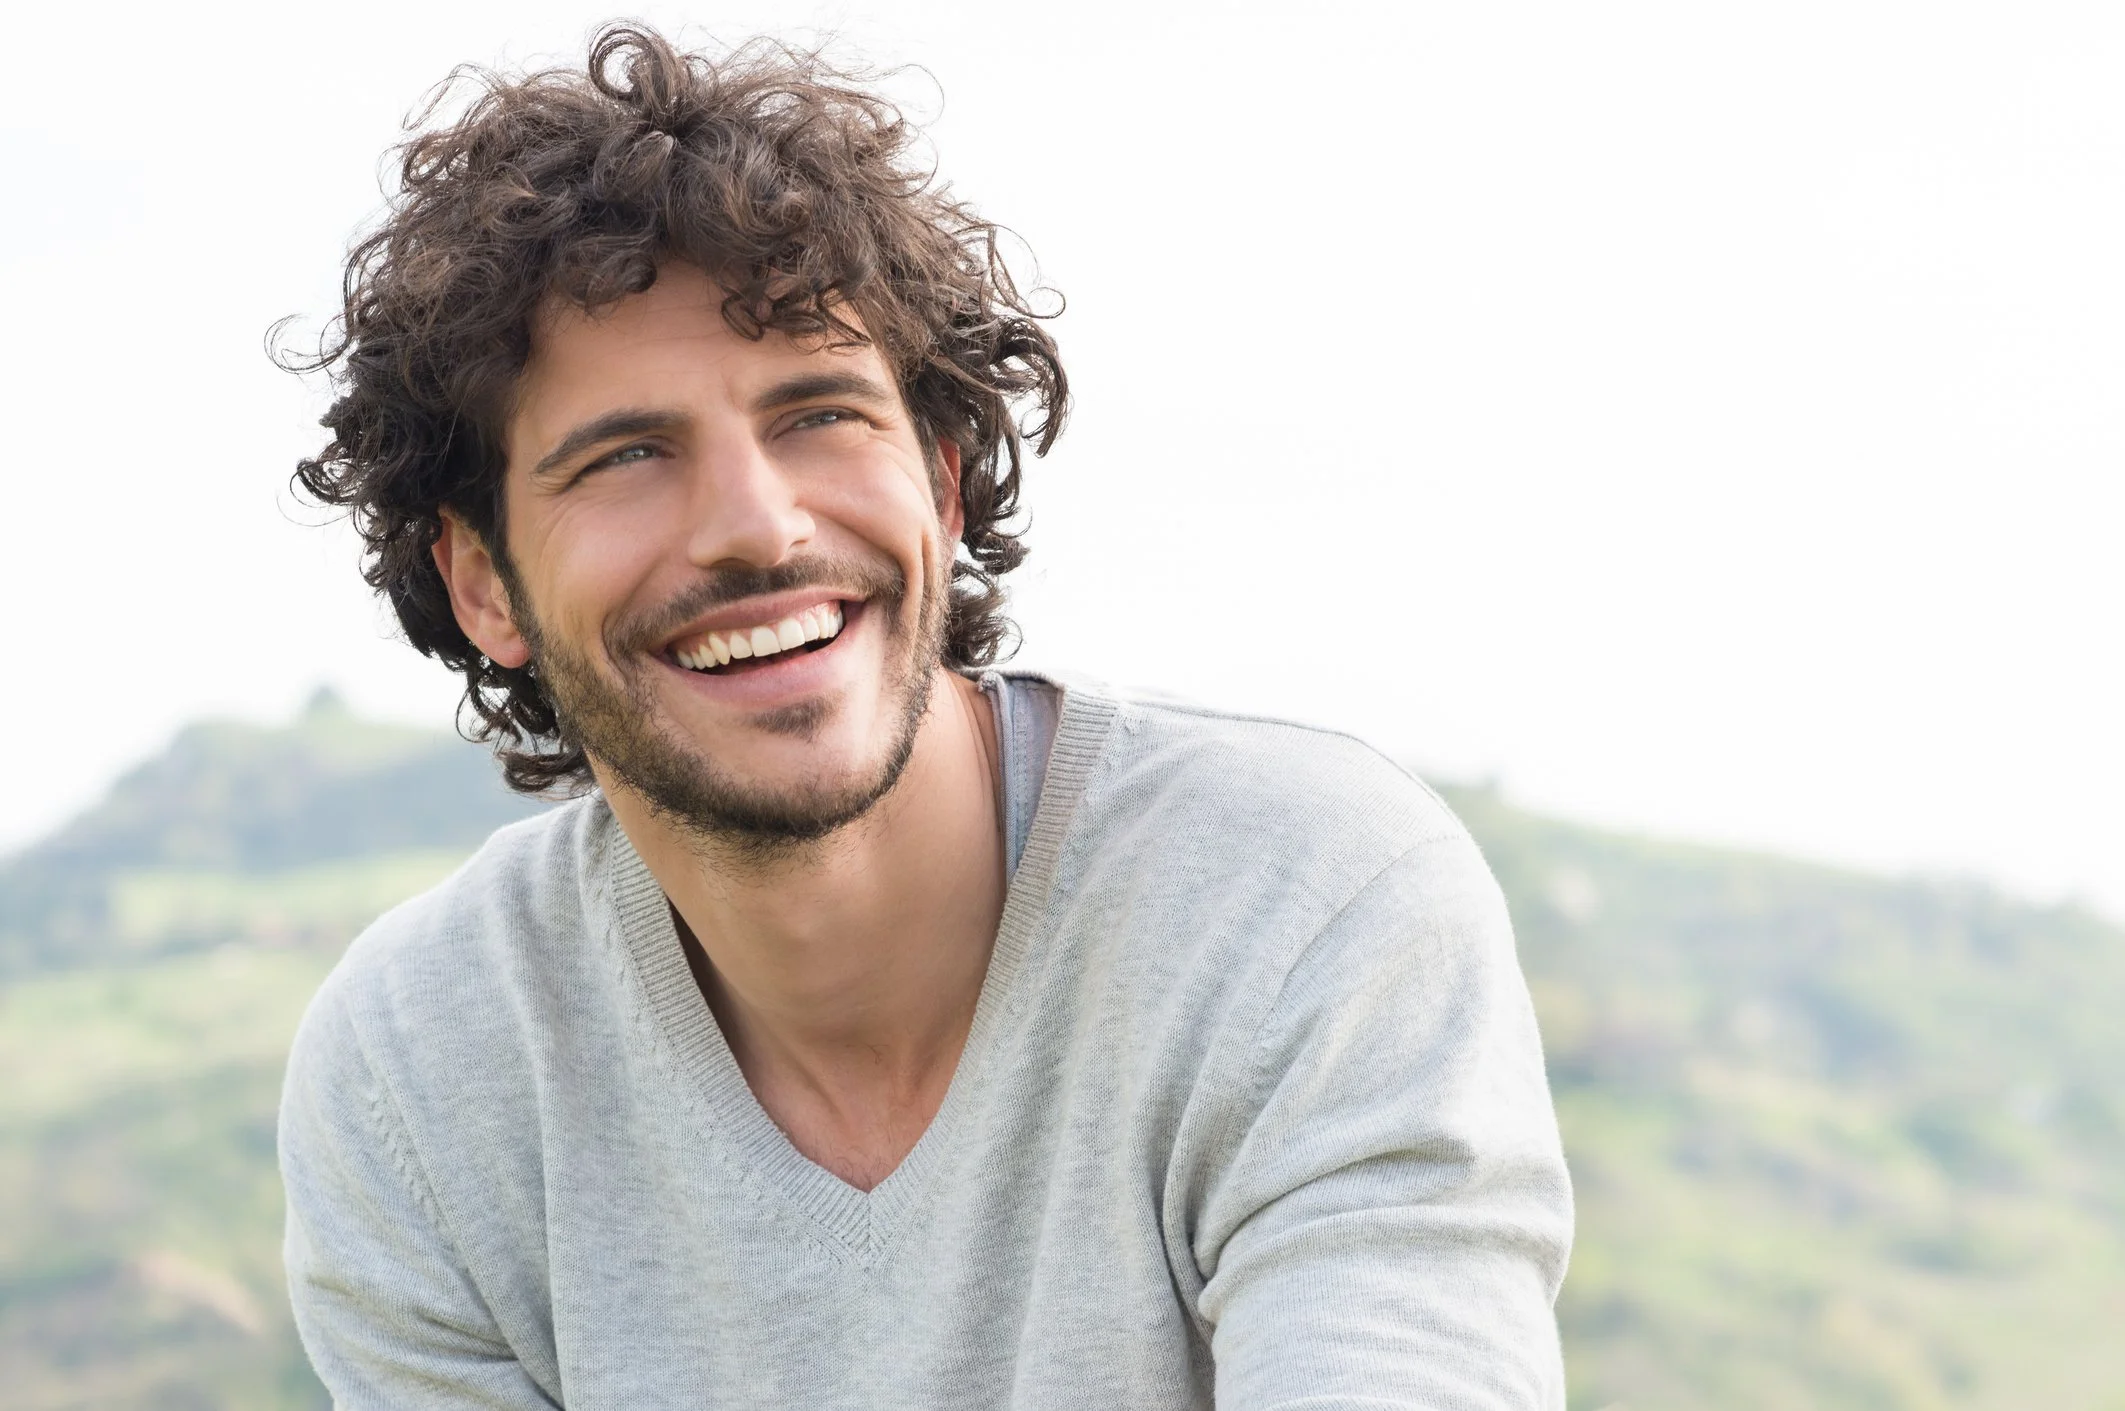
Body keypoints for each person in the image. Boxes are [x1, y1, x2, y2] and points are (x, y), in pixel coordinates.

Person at [277, 22, 1572, 1410]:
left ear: (943, 489)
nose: (757, 529)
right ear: (482, 583)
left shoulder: (1303, 903)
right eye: (629, 455)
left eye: (819, 414)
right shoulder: (423, 1073)